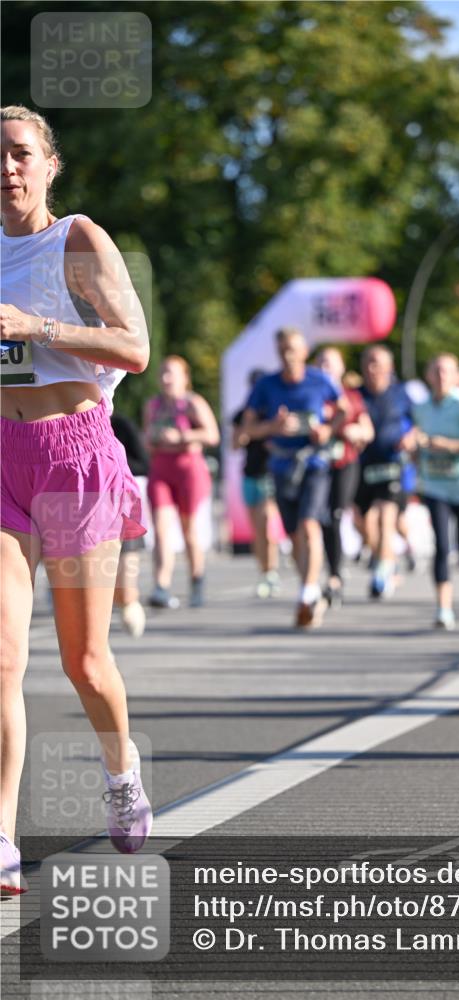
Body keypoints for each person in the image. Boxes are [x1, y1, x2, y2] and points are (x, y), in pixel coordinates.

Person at [1, 105, 152, 893]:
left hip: (74, 455)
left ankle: (121, 772)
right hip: (1, 455)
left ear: (49, 165)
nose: (7, 167)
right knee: (0, 654)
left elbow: (134, 348)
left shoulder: (77, 240)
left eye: (21, 153)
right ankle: (1, 834)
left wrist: (37, 324)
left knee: (84, 661)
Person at [242, 328, 346, 628]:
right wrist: (273, 426)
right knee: (295, 534)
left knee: (309, 524)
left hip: (313, 463)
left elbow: (343, 411)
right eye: (283, 349)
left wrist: (327, 429)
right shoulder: (266, 385)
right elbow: (249, 430)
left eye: (293, 349)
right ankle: (309, 588)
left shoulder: (319, 380)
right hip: (282, 466)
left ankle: (308, 592)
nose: (288, 355)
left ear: (304, 352)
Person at [413, 354, 459, 629]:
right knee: (442, 547)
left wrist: (445, 445)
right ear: (429, 375)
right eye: (437, 370)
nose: (442, 376)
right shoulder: (421, 408)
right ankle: (443, 609)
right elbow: (418, 440)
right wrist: (417, 447)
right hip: (435, 484)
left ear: (456, 375)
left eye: (447, 371)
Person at [144, 355, 220, 609]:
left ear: (184, 378)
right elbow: (146, 439)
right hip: (161, 470)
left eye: (172, 374)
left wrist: (182, 436)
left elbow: (212, 435)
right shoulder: (152, 405)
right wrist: (154, 438)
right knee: (161, 530)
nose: (166, 379)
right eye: (163, 373)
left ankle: (197, 579)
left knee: (188, 530)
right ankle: (161, 586)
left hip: (189, 470)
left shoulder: (192, 403)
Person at [314, 347, 374, 606]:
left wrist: (354, 432)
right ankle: (325, 571)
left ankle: (335, 577)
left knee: (336, 514)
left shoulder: (350, 397)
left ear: (340, 369)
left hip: (345, 463)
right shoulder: (311, 396)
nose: (326, 369)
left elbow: (367, 431)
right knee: (320, 519)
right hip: (316, 465)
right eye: (322, 364)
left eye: (331, 364)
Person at [356, 345, 415, 599]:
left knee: (385, 518)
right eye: (368, 362)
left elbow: (418, 425)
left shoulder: (401, 394)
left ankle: (383, 571)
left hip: (393, 465)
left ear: (389, 368)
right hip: (363, 465)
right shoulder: (355, 396)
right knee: (364, 522)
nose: (372, 368)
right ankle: (385, 557)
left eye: (378, 363)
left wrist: (411, 438)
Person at [232, 369, 281, 599]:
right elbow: (235, 444)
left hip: (268, 474)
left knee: (267, 525)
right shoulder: (244, 414)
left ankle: (271, 571)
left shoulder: (274, 412)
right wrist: (245, 432)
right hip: (249, 475)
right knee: (257, 531)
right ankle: (264, 572)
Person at [111, 412, 150, 637]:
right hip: (80, 514)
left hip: (121, 509)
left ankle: (130, 604)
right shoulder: (60, 421)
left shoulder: (121, 425)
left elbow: (144, 464)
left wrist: (113, 462)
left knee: (125, 594)